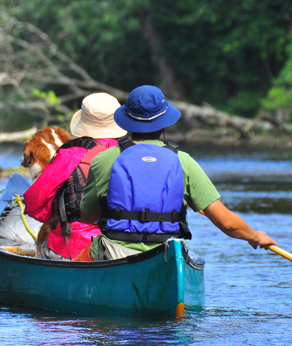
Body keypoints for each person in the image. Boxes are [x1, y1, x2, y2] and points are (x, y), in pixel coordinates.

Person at [76, 85, 276, 261]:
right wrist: (255, 236)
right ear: (164, 122)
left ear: (127, 121)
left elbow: (88, 216)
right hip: (167, 254)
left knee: (79, 260)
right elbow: (227, 223)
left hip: (114, 253)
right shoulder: (184, 161)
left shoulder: (104, 160)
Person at [24, 93, 127, 260]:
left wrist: (57, 211)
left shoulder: (69, 155)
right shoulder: (130, 153)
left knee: (43, 248)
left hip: (72, 248)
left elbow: (33, 203)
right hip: (121, 248)